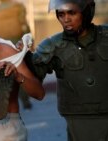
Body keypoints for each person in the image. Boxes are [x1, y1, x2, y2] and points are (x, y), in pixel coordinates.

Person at [22, 0, 108, 141]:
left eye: (72, 13)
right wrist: (24, 56)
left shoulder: (105, 36)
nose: (66, 19)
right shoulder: (53, 45)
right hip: (77, 118)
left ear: (86, 12)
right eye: (61, 14)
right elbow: (35, 75)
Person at [0, 0, 32, 109]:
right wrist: (29, 42)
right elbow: (24, 25)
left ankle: (6, 102)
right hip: (17, 43)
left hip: (2, 45)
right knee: (20, 71)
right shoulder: (18, 7)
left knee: (4, 73)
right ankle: (25, 100)